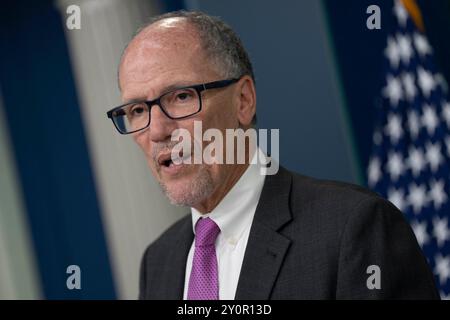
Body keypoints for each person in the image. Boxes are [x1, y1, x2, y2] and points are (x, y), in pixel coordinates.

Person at [107, 10, 439, 299]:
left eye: (180, 96)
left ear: (243, 101)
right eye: (137, 109)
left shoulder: (352, 228)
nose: (157, 130)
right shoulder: (159, 262)